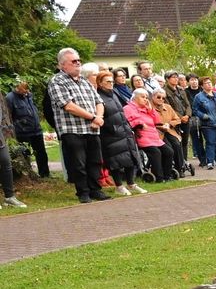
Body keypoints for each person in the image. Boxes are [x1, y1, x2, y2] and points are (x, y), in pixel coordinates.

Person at [48, 48, 110, 203]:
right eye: (73, 61)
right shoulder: (57, 81)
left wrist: (99, 117)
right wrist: (94, 117)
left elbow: (99, 101)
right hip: (72, 129)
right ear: (62, 65)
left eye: (79, 60)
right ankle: (83, 192)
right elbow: (68, 105)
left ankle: (96, 190)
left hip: (92, 128)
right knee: (78, 163)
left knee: (95, 161)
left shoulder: (85, 81)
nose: (78, 64)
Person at [95, 72, 148, 195]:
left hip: (124, 130)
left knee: (130, 157)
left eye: (112, 81)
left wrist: (128, 127)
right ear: (100, 83)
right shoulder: (98, 96)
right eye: (107, 82)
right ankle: (119, 186)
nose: (110, 84)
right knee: (115, 161)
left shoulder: (114, 94)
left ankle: (131, 183)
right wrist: (111, 128)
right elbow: (101, 115)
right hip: (111, 133)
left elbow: (121, 111)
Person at [123, 88, 172, 183]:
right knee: (156, 153)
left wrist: (151, 110)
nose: (145, 99)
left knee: (169, 151)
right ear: (135, 98)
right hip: (141, 137)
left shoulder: (146, 109)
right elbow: (129, 122)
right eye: (143, 97)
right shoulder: (128, 108)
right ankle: (159, 177)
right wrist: (139, 123)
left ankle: (167, 175)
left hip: (154, 137)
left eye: (146, 97)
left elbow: (156, 121)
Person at [5, 81, 49, 178]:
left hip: (36, 129)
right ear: (17, 87)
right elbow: (9, 116)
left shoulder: (28, 95)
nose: (27, 91)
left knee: (41, 153)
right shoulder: (10, 98)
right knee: (25, 154)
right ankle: (28, 175)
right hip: (22, 132)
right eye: (24, 89)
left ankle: (45, 174)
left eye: (28, 89)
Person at [192, 76, 216, 169]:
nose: (209, 84)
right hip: (208, 124)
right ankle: (209, 162)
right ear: (202, 86)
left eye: (210, 82)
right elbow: (195, 110)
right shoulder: (199, 97)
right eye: (206, 83)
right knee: (210, 142)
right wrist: (203, 116)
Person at [153, 89, 187, 178]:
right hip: (158, 132)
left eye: (163, 98)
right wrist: (160, 126)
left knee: (176, 144)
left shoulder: (168, 107)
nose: (161, 99)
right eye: (158, 97)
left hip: (169, 131)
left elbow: (177, 119)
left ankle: (180, 168)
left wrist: (169, 124)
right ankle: (166, 169)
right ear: (153, 97)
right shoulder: (150, 108)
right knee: (168, 148)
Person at [164, 71, 193, 163]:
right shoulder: (164, 91)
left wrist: (187, 115)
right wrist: (181, 118)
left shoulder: (181, 90)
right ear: (167, 79)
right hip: (174, 120)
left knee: (185, 141)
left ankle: (185, 161)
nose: (176, 79)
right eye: (173, 77)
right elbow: (169, 107)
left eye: (177, 77)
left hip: (186, 119)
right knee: (177, 142)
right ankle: (178, 163)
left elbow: (188, 105)